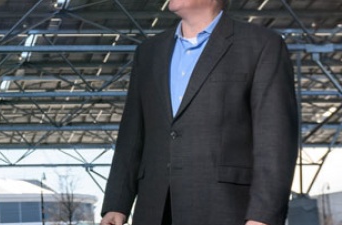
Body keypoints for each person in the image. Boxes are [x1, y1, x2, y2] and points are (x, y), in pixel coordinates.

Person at [100, 0, 298, 224]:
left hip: (227, 209)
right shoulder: (148, 52)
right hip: (154, 210)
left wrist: (264, 216)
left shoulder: (261, 45)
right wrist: (117, 203)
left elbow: (275, 138)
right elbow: (132, 133)